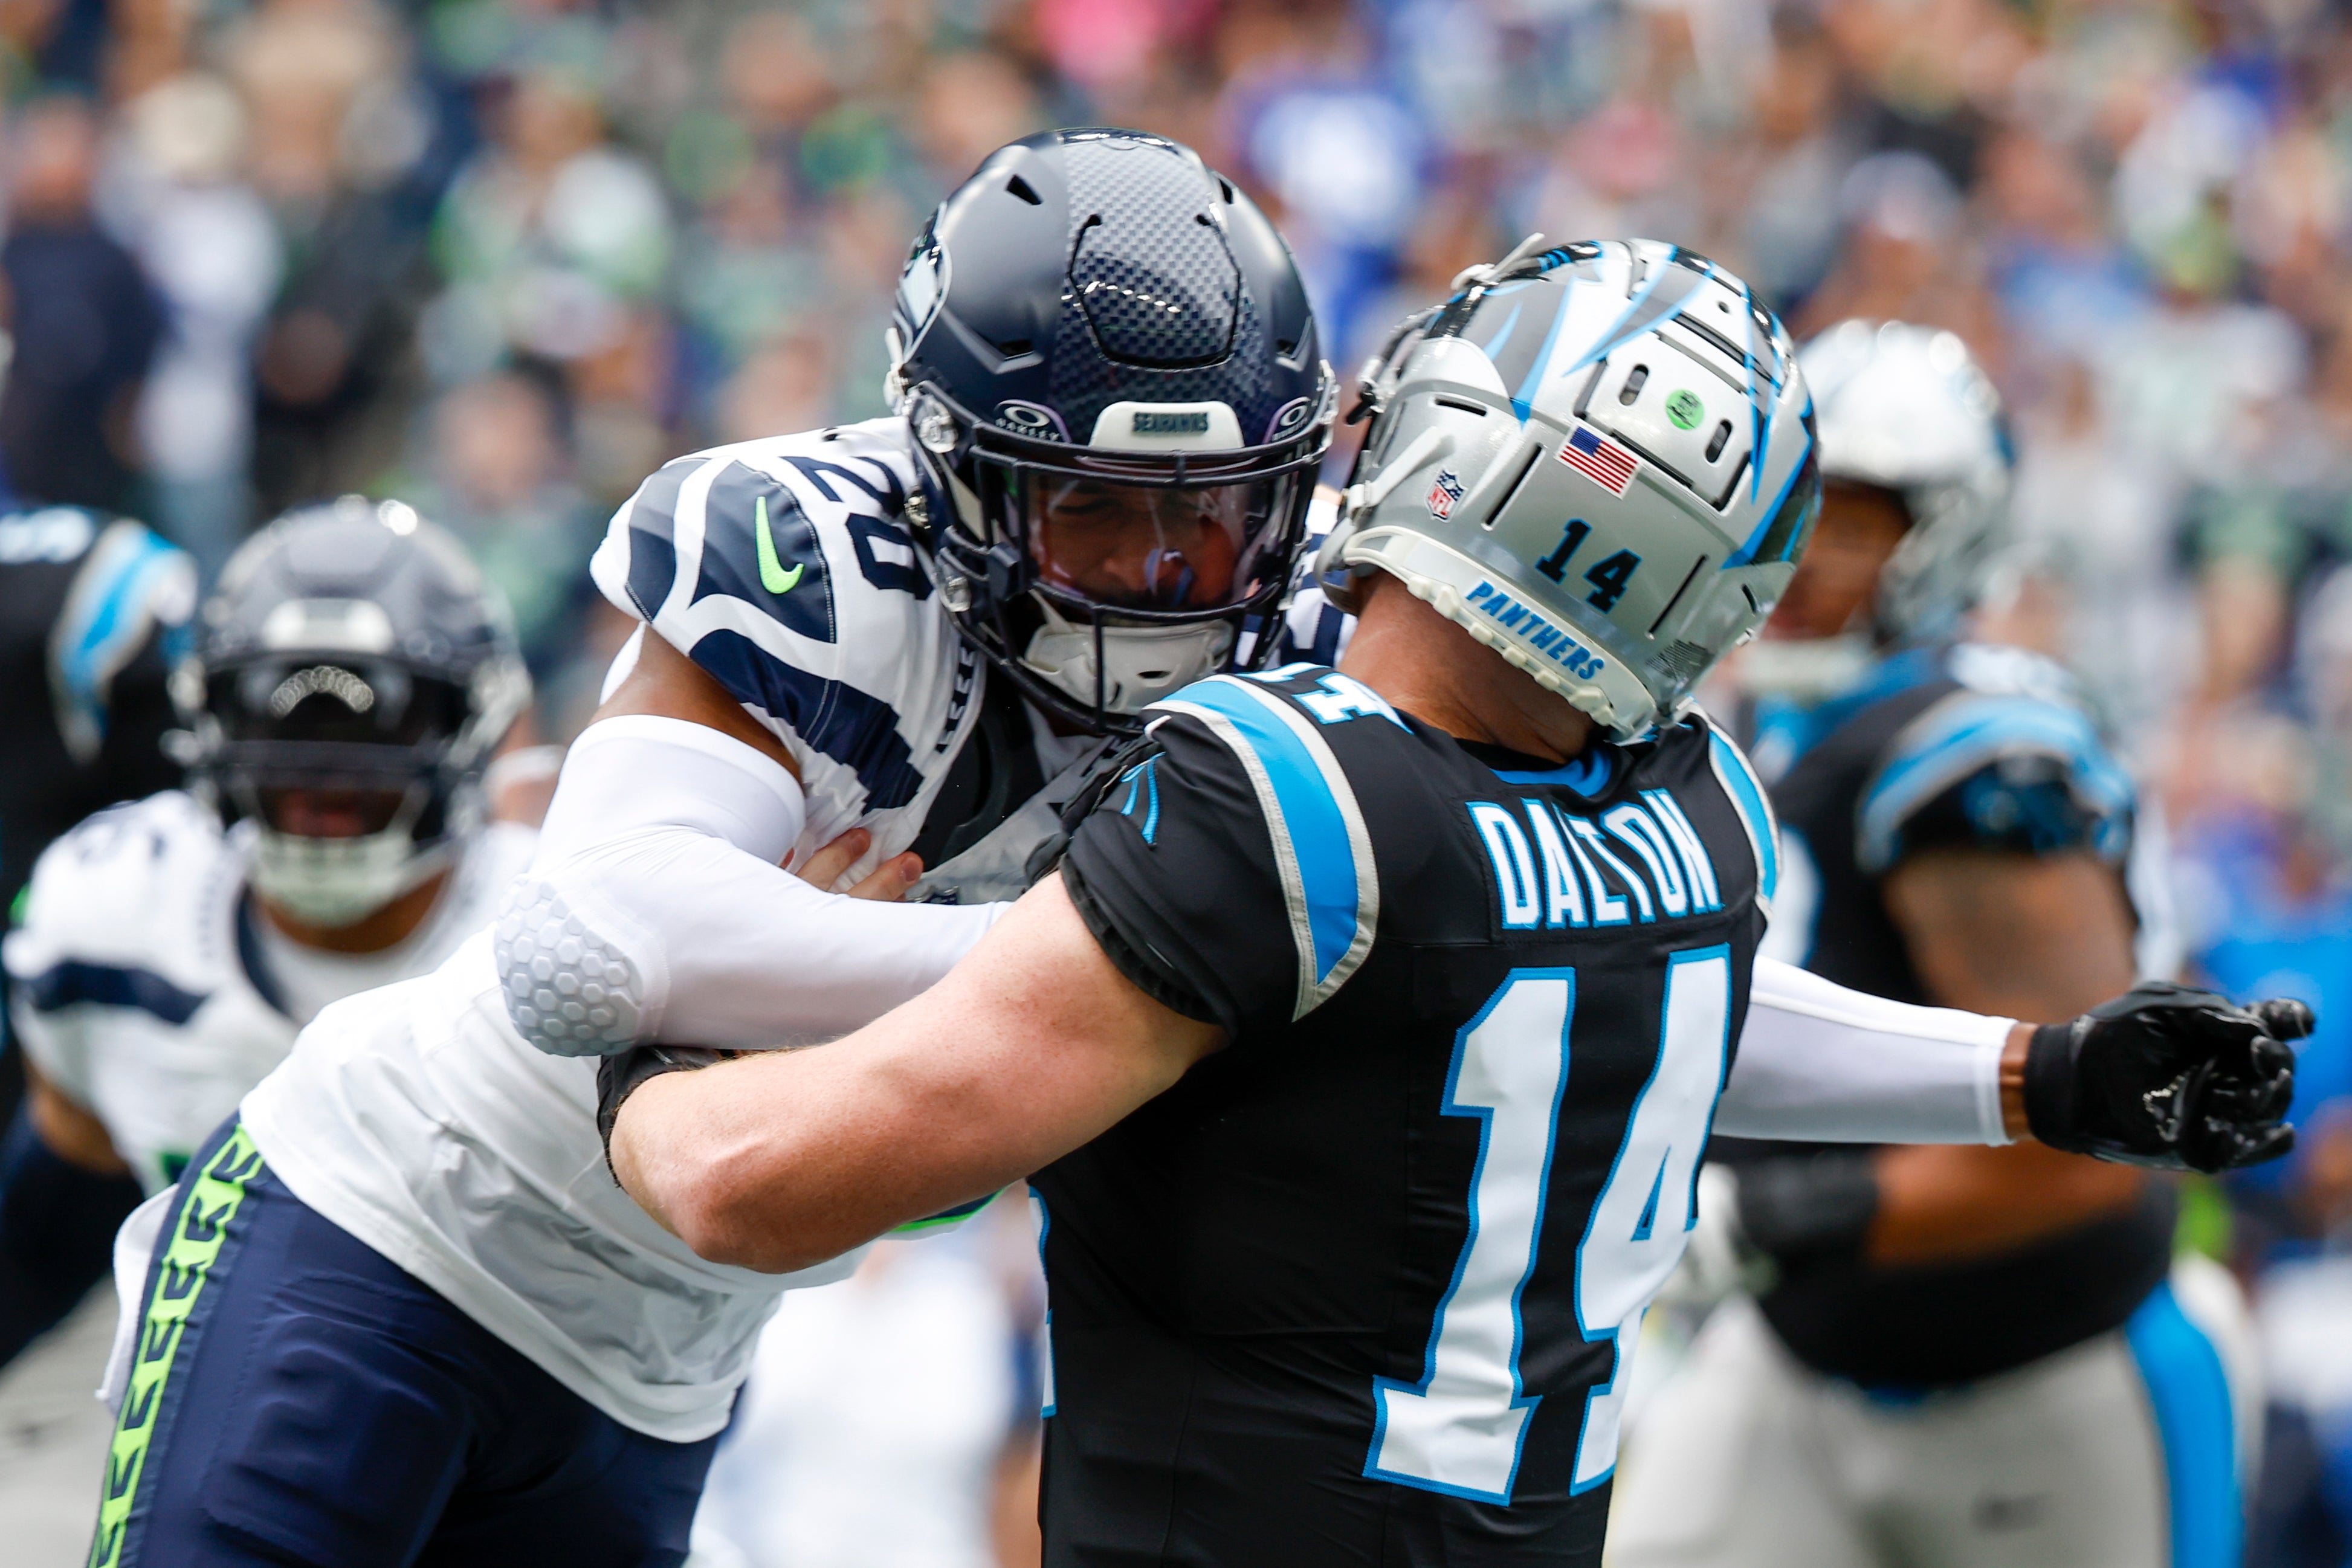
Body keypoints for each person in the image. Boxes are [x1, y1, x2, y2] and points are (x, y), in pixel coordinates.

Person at [601, 240, 2304, 1566]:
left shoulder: (1279, 787)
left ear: (1466, 450)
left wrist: (646, 1055)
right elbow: (1683, 1007)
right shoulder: (1695, 812)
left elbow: (753, 1185)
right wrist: (2031, 1073)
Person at [88, 128, 1335, 1568]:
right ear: (950, 470)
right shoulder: (814, 550)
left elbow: (925, 1163)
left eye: (1208, 507)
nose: (1154, 572)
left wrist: (824, 978)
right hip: (384, 1229)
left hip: (662, 1370)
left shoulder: (1296, 664)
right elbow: (600, 945)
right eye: (1089, 504)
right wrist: (1104, 965)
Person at [1606, 321, 2250, 1568]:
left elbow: (2095, 1135)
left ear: (1940, 536)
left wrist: (1759, 1215)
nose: (1789, 559)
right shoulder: (1766, 707)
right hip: (1799, 1357)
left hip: (2039, 1373)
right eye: (1773, 514)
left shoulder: (1968, 753)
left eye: (1842, 522)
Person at [0, 498, 534, 1371]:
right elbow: (50, 1220)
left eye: (376, 720)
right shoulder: (114, 913)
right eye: (282, 719)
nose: (325, 771)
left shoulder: (554, 938)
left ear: (471, 724)